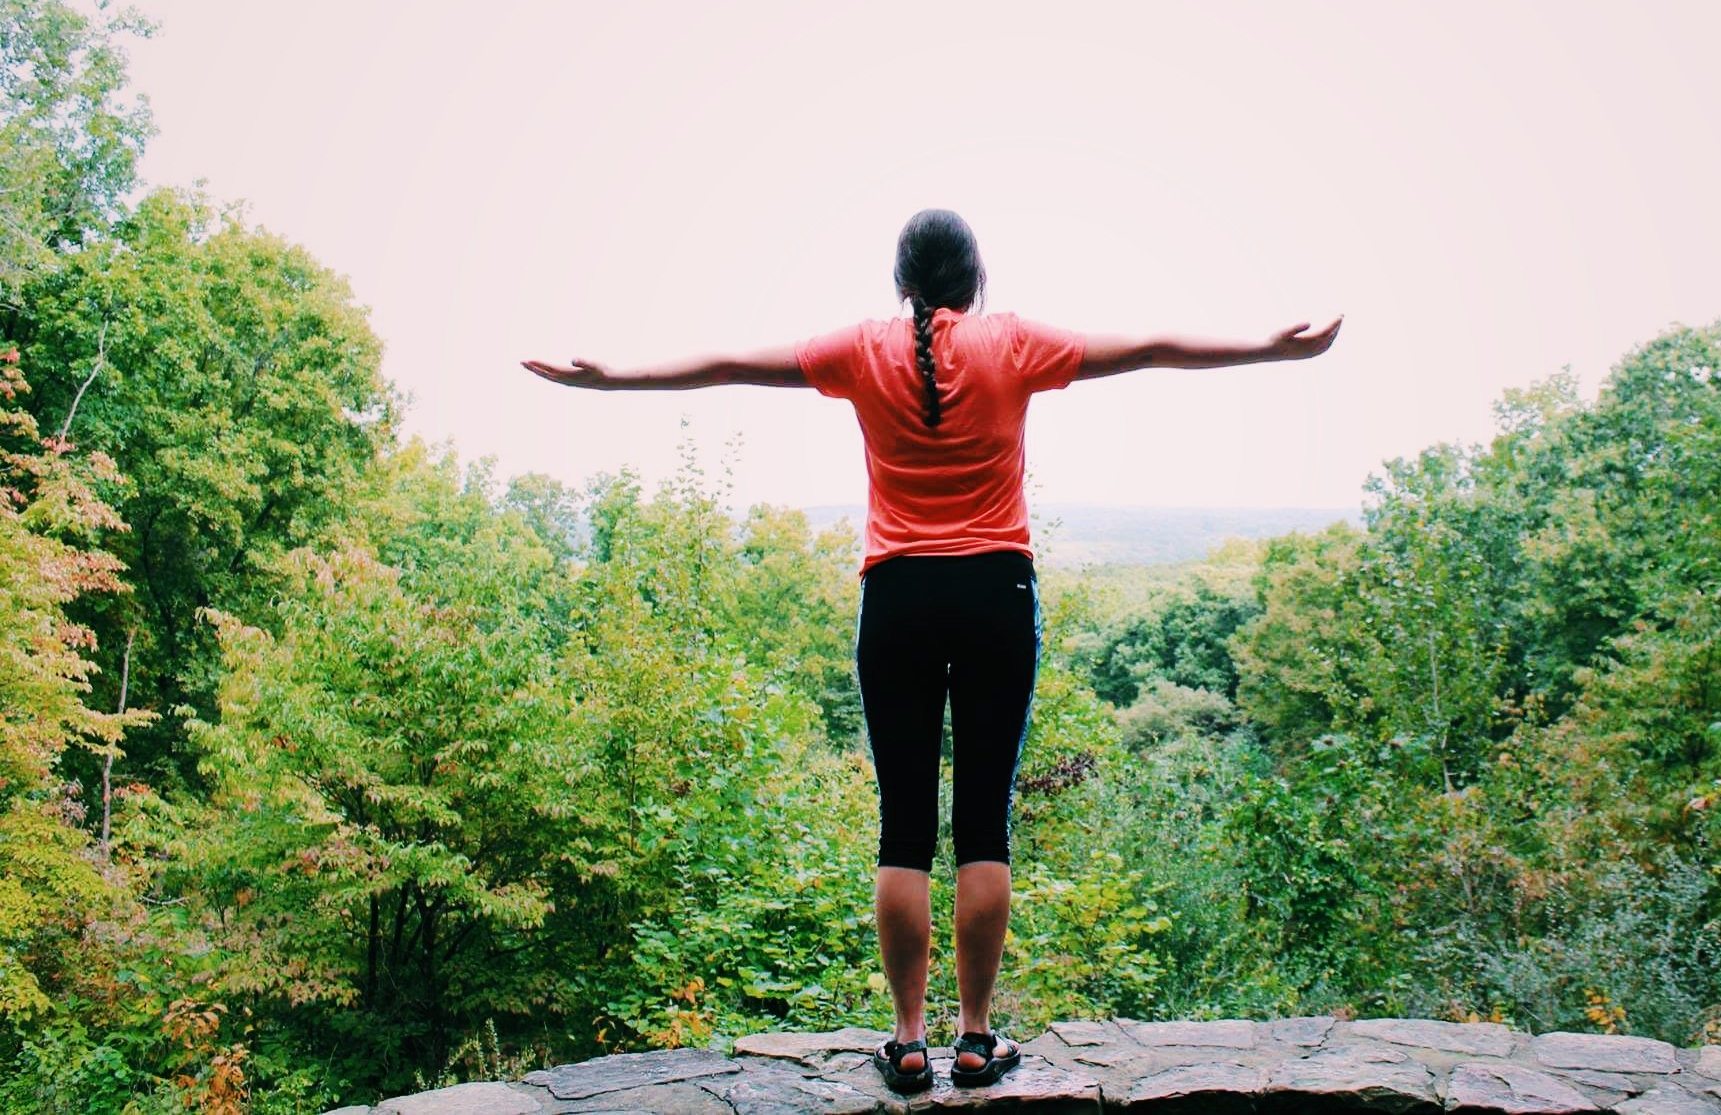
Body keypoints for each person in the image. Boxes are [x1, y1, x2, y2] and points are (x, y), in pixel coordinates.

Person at [523, 208, 1341, 1093]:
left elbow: (728, 364)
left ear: (901, 281)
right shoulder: (1013, 343)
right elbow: (1145, 347)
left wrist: (607, 381)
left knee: (903, 825)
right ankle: (978, 1041)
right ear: (975, 277)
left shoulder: (864, 348)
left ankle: (910, 1039)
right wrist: (1270, 347)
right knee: (983, 821)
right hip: (996, 592)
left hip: (899, 598)